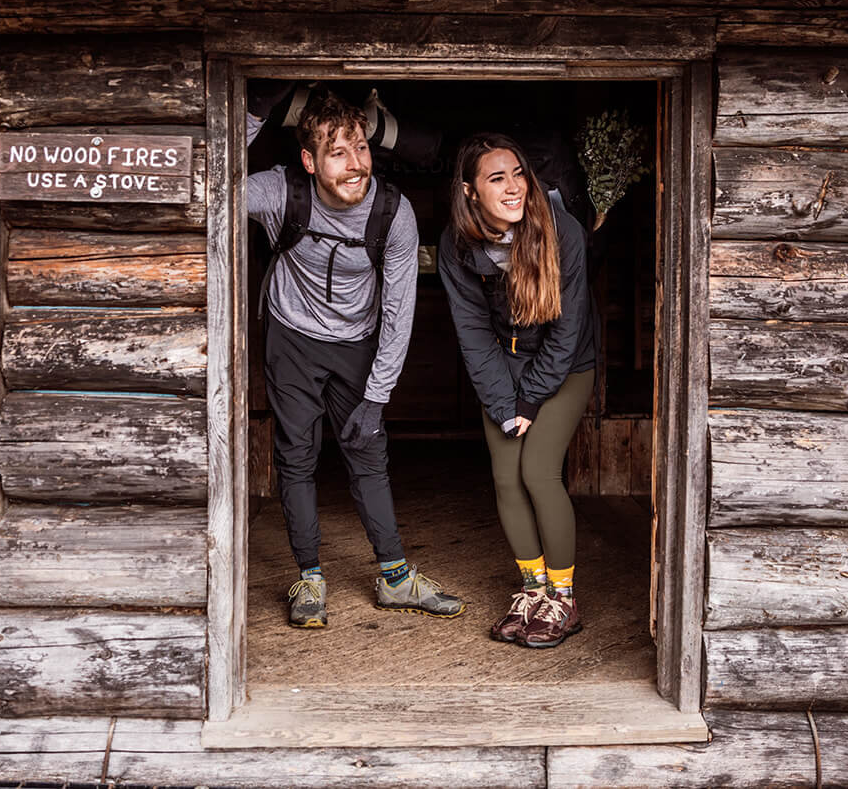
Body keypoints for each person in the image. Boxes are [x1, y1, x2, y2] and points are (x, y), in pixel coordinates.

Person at [247, 87, 465, 628]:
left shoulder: (394, 212)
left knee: (368, 454)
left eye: (361, 148)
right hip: (291, 336)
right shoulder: (281, 192)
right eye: (338, 151)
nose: (355, 164)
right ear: (310, 160)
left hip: (357, 341)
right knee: (296, 455)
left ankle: (395, 578)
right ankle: (309, 578)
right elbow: (211, 182)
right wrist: (252, 114)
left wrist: (376, 396)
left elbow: (399, 311)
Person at [438, 133, 598, 649]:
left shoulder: (561, 230)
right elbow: (472, 333)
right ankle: (533, 592)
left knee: (538, 471)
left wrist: (529, 401)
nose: (514, 187)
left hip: (567, 364)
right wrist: (504, 403)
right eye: (496, 178)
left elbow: (567, 330)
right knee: (506, 476)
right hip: (503, 363)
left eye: (518, 174)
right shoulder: (457, 243)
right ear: (469, 191)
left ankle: (564, 598)